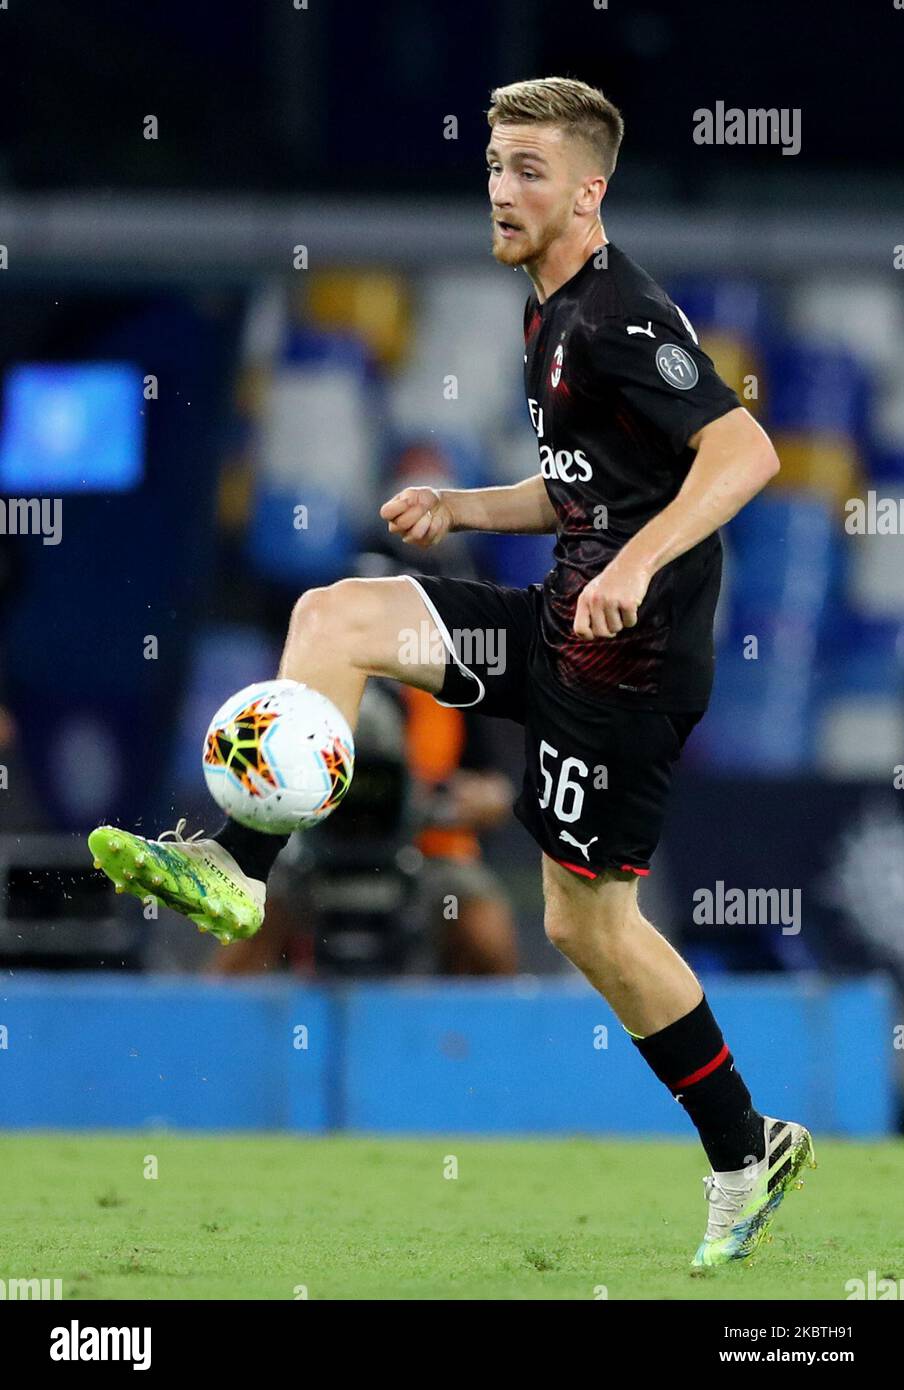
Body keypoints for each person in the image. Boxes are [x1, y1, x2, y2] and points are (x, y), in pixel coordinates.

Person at [89, 75, 814, 1267]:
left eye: (529, 169)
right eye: (492, 165)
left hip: (625, 669)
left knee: (585, 923)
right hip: (553, 619)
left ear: (591, 191)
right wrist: (462, 505)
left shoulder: (623, 315)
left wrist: (633, 565)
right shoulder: (547, 312)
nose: (501, 188)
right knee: (338, 612)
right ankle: (239, 863)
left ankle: (744, 1147)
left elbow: (744, 453)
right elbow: (588, 485)